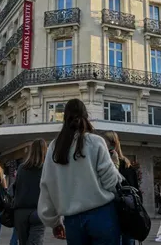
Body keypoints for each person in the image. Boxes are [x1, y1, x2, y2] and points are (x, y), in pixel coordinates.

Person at [38, 98, 123, 245]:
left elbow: (47, 185)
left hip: (73, 221)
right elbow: (111, 182)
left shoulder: (54, 147)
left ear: (65, 117)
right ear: (86, 116)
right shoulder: (95, 142)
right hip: (102, 215)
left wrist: (54, 221)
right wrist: (115, 166)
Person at [104, 131, 139, 245]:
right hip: (124, 213)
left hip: (120, 213)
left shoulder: (123, 165)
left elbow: (133, 189)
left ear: (112, 145)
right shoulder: (126, 164)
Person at [14, 139, 47, 245]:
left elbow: (15, 188)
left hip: (20, 213)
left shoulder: (21, 168)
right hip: (38, 211)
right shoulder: (45, 169)